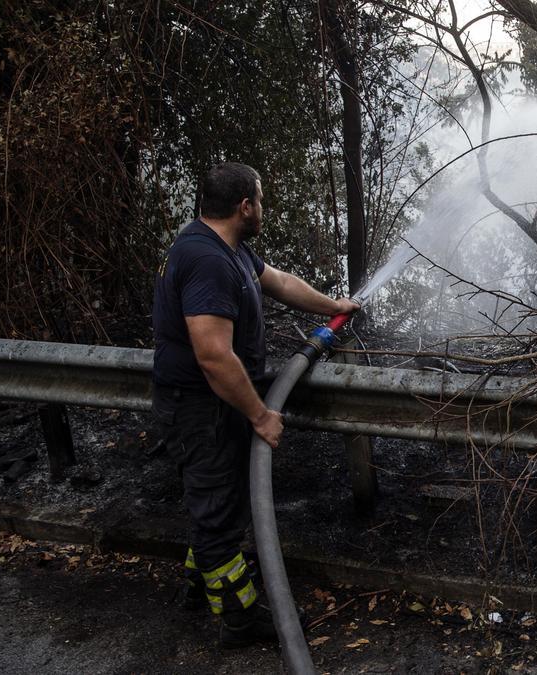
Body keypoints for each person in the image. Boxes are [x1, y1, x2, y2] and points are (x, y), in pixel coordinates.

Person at [151, 162, 358, 647]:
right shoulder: (207, 261)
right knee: (219, 510)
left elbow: (279, 281)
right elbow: (213, 354)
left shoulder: (227, 247)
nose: (262, 207)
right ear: (245, 206)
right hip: (201, 408)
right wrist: (260, 414)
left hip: (212, 405)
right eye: (260, 200)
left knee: (217, 503)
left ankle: (199, 584)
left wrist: (334, 306)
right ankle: (239, 620)